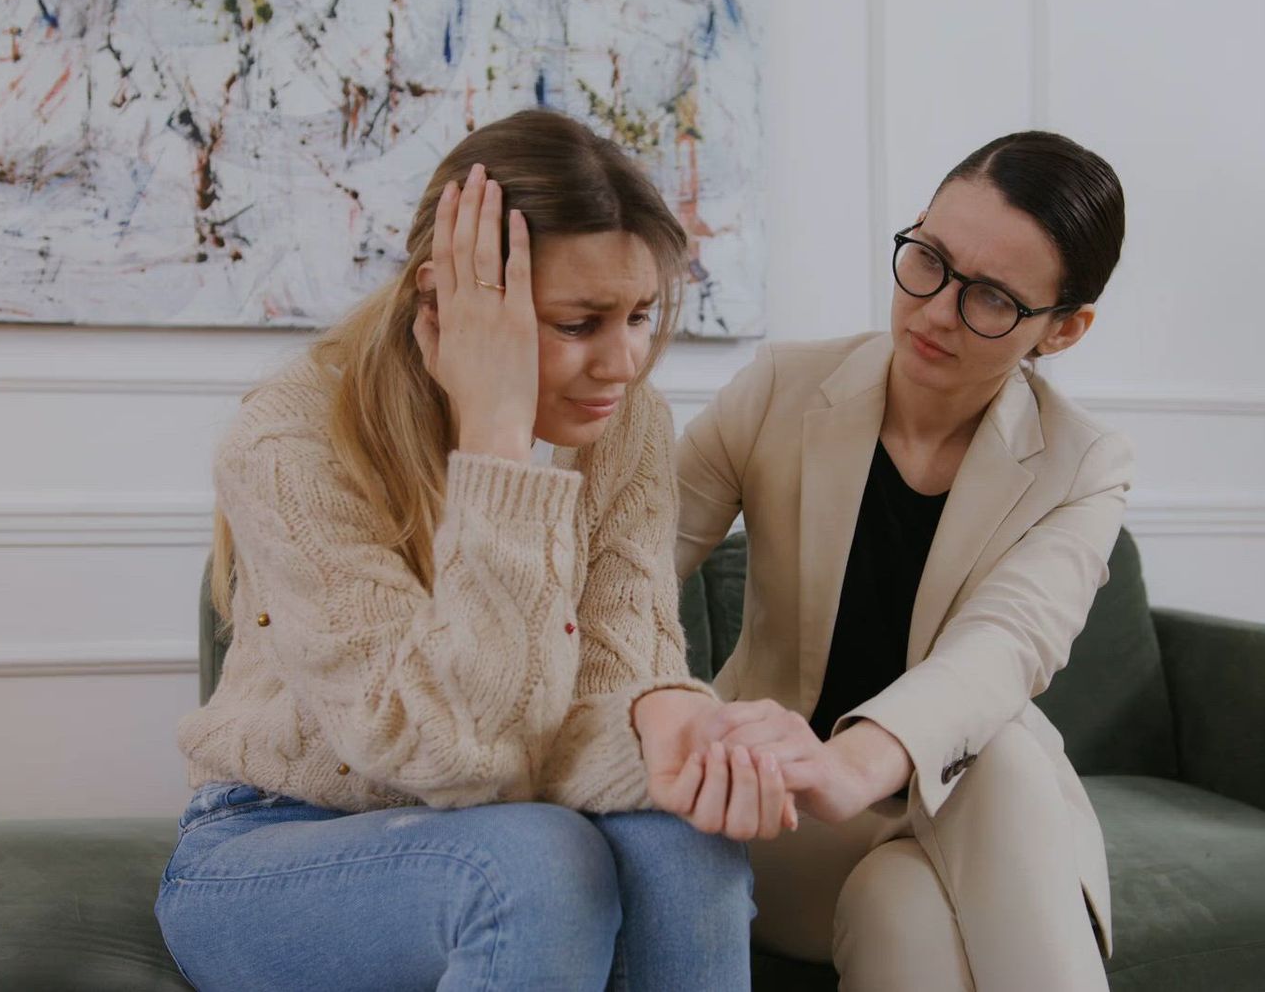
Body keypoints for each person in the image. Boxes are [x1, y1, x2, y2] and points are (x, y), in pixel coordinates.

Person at [156, 109, 792, 991]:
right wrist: (494, 438)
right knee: (532, 864)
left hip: (510, 819)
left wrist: (661, 718)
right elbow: (441, 749)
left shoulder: (626, 426)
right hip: (270, 840)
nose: (625, 362)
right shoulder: (291, 436)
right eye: (580, 323)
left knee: (685, 841)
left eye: (641, 314)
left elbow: (593, 697)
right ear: (447, 301)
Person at [676, 131, 1131, 990]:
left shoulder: (1085, 463)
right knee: (986, 774)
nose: (933, 309)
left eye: (990, 297)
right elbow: (621, 568)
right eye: (928, 257)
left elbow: (1007, 644)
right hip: (788, 824)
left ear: (1064, 329)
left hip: (973, 822)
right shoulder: (780, 389)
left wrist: (859, 759)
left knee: (910, 901)